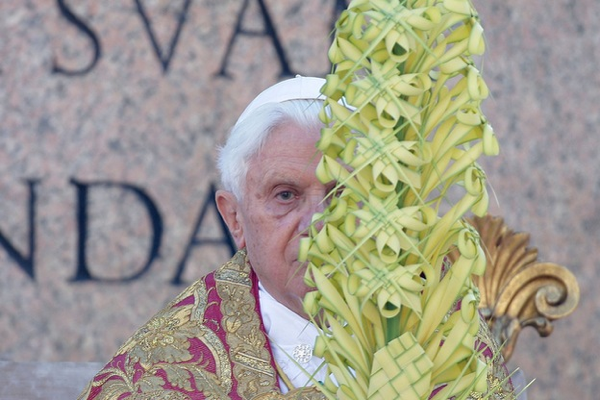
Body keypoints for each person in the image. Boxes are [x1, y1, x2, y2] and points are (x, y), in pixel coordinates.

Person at [78, 76, 515, 400]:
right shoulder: (161, 373)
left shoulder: (440, 320)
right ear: (235, 218)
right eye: (285, 195)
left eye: (343, 194)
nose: (320, 224)